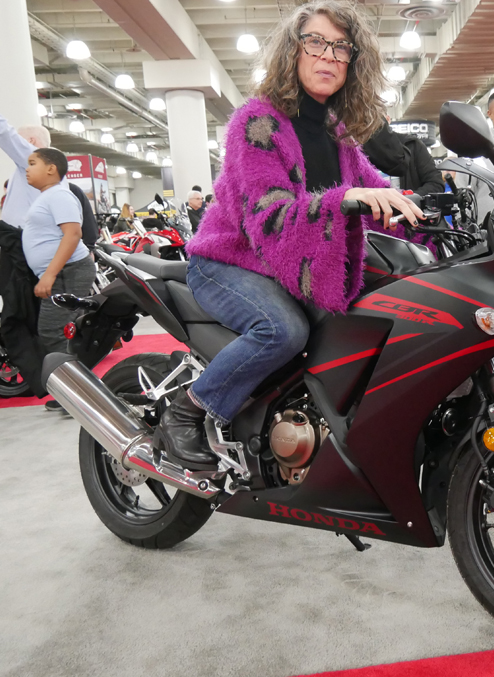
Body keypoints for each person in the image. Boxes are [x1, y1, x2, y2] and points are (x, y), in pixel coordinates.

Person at [159, 0, 424, 469]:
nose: (328, 56)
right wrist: (346, 200)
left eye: (342, 48)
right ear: (293, 52)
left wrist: (425, 212)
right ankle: (188, 411)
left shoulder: (337, 130)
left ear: (353, 63)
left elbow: (374, 190)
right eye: (315, 42)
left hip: (288, 267)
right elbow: (271, 215)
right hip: (230, 261)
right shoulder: (256, 123)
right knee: (283, 330)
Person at [23, 148, 96, 409]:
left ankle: (80, 395)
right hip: (65, 270)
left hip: (68, 270)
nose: (27, 169)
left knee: (54, 332)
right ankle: (77, 393)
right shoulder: (50, 196)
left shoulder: (59, 195)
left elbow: (72, 235)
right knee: (58, 332)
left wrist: (50, 275)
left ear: (51, 168)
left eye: (33, 163)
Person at [0, 102, 52, 226]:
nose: (17, 144)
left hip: (26, 236)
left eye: (20, 139)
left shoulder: (34, 157)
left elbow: (3, 132)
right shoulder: (49, 166)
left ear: (31, 140)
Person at [363, 121, 444, 195]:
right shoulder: (356, 150)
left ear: (387, 119)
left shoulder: (412, 144)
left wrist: (410, 198)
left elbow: (436, 183)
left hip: (407, 208)